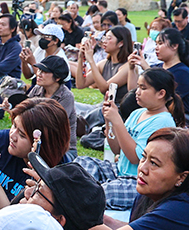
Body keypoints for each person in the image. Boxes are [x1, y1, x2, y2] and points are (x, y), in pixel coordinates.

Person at [77, 67, 184, 213]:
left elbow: (134, 158)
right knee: (81, 164)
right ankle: (76, 192)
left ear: (161, 93)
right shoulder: (137, 113)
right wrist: (110, 121)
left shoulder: (162, 122)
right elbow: (117, 150)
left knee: (104, 192)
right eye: (138, 87)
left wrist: (118, 122)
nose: (137, 92)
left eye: (143, 88)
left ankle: (74, 197)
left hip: (137, 180)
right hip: (118, 171)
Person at [0, 97, 71, 215]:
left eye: (22, 135)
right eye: (14, 126)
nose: (12, 136)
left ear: (44, 144)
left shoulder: (57, 174)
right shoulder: (0, 142)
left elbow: (13, 225)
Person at [128, 26, 189, 113]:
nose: (156, 48)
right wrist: (131, 68)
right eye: (156, 44)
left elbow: (165, 98)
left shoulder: (183, 72)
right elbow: (133, 92)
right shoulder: (156, 67)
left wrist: (146, 67)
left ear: (174, 46)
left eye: (160, 43)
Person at [27, 55, 77, 159]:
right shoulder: (37, 89)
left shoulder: (66, 97)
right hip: (36, 142)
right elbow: (24, 111)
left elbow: (52, 124)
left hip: (61, 150)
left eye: (44, 72)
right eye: (39, 70)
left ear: (57, 77)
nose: (38, 74)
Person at [75, 27, 132, 103]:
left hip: (118, 109)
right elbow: (80, 84)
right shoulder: (103, 63)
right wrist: (80, 58)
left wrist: (91, 60)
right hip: (104, 106)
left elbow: (104, 88)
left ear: (121, 43)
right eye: (104, 38)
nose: (104, 41)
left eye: (109, 38)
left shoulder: (128, 66)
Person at [0, 14, 22, 79]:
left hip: (9, 84)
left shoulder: (16, 47)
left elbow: (3, 68)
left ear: (13, 29)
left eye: (3, 25)